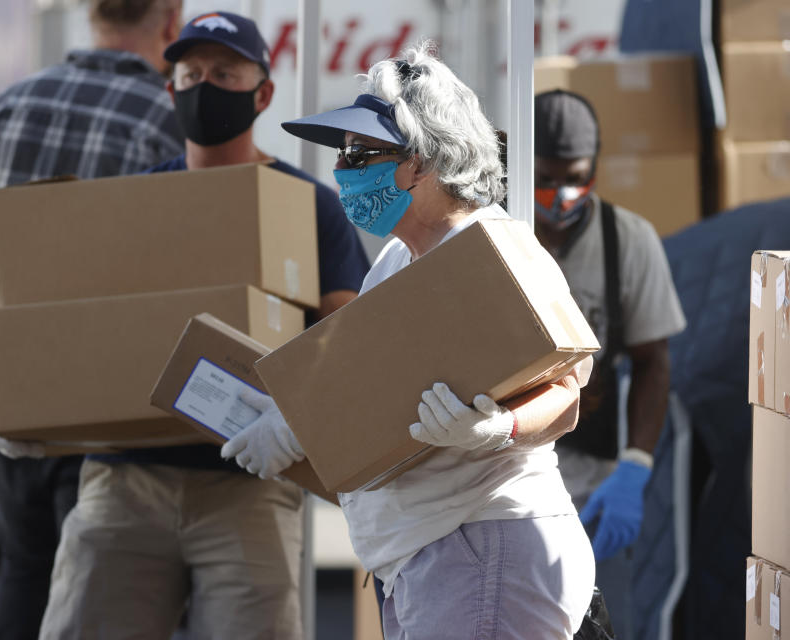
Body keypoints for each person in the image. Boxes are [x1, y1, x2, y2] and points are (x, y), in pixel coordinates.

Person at [223, 42, 597, 639]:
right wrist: (292, 423)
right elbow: (365, 375)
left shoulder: (493, 249)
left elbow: (567, 389)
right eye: (343, 153)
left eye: (360, 153)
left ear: (420, 163)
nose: (343, 170)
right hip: (433, 555)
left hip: (483, 545)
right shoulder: (399, 259)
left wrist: (499, 429)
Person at [38, 11, 370, 640]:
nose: (204, 87)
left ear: (262, 93)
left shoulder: (310, 206)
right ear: (171, 89)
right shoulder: (134, 202)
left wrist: (294, 422)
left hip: (248, 487)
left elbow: (346, 336)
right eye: (190, 74)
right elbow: (82, 330)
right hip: (127, 482)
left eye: (224, 73)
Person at [0, 2, 184, 638]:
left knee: (24, 560)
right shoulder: (164, 121)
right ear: (171, 20)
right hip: (103, 403)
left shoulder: (4, 107)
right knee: (91, 581)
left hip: (1, 395)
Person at [531, 89, 686, 637]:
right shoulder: (497, 239)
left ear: (594, 167)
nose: (562, 195)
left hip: (594, 490)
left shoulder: (629, 242)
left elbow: (652, 362)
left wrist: (636, 466)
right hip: (508, 481)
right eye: (546, 179)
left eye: (576, 177)